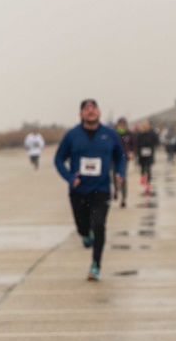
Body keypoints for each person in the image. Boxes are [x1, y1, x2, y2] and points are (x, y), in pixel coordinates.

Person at [54, 98, 126, 280]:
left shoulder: (110, 134)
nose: (90, 111)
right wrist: (70, 178)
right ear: (81, 114)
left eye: (94, 108)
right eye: (86, 109)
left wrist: (120, 172)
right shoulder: (72, 135)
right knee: (82, 228)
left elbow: (120, 156)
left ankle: (95, 265)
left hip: (101, 189)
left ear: (99, 112)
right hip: (78, 190)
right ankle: (85, 235)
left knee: (99, 225)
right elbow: (58, 159)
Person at [136, 119, 160, 192]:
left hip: (150, 153)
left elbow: (157, 141)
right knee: (143, 167)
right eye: (145, 126)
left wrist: (155, 145)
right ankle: (143, 176)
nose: (146, 127)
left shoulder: (152, 133)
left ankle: (148, 184)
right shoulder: (140, 134)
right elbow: (137, 143)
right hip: (142, 153)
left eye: (147, 126)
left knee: (149, 168)